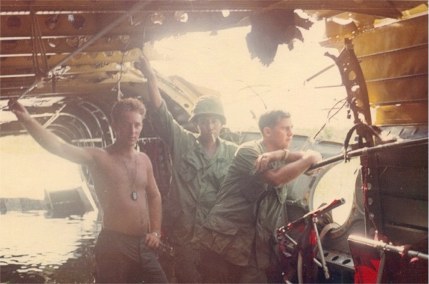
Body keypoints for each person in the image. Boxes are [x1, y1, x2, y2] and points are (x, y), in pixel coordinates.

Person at [8, 98, 168, 283]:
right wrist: (27, 119)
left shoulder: (144, 160)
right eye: (127, 125)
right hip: (114, 245)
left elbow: (155, 196)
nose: (133, 131)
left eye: (137, 125)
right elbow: (59, 146)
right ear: (114, 125)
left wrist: (155, 231)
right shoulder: (99, 157)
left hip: (143, 244)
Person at [135, 54, 238, 283]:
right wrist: (151, 77)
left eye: (214, 121)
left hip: (218, 239)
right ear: (196, 123)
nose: (209, 126)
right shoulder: (183, 142)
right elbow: (162, 114)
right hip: (185, 238)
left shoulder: (234, 152)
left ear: (221, 123)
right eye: (203, 121)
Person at [197, 109, 322, 283]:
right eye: (285, 128)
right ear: (267, 131)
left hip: (254, 249)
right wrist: (308, 158)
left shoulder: (278, 156)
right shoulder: (249, 152)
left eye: (291, 128)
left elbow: (314, 158)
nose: (291, 133)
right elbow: (276, 179)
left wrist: (280, 154)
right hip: (223, 245)